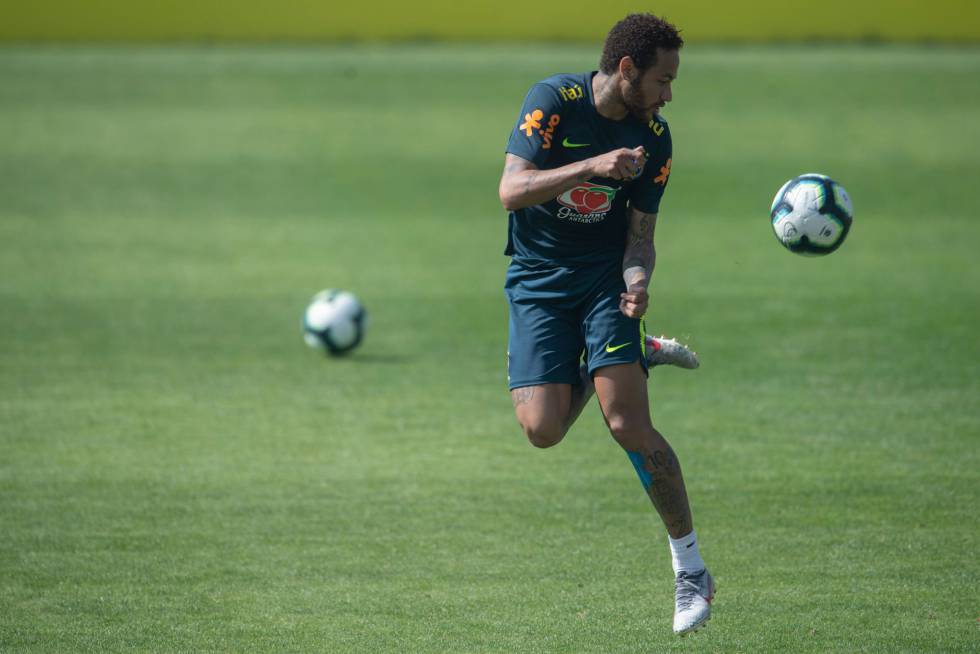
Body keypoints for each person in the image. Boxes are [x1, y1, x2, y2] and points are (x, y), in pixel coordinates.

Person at [497, 13, 714, 636]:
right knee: (542, 430)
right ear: (627, 70)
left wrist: (639, 281)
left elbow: (641, 241)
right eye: (663, 80)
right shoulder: (553, 103)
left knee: (627, 423)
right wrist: (592, 165)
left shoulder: (656, 140)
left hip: (602, 285)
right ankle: (620, 356)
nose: (669, 95)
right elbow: (512, 190)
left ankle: (691, 570)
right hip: (537, 282)